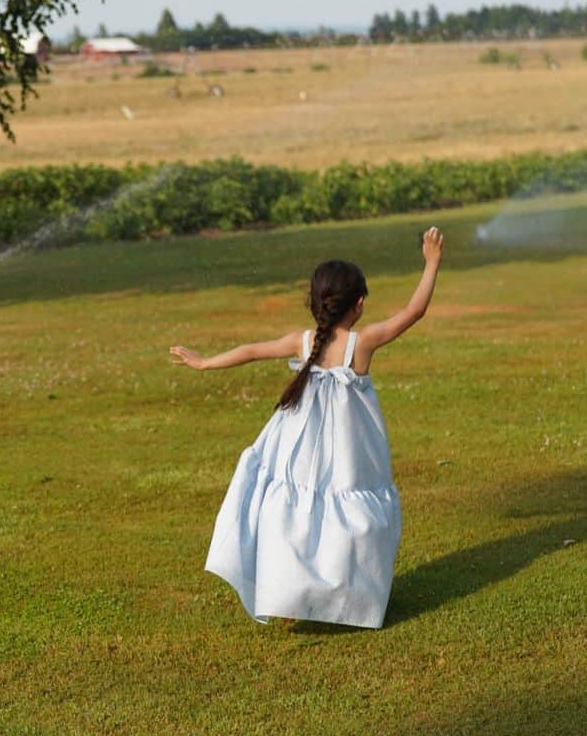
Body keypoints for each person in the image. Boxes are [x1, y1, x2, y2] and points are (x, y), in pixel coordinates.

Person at [169, 227, 444, 628]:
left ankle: (289, 594)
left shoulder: (302, 342)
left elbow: (251, 350)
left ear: (316, 303)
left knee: (293, 514)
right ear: (360, 303)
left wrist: (205, 362)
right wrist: (432, 263)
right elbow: (413, 311)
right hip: (350, 455)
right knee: (353, 518)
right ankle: (349, 598)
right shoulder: (362, 343)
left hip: (299, 448)